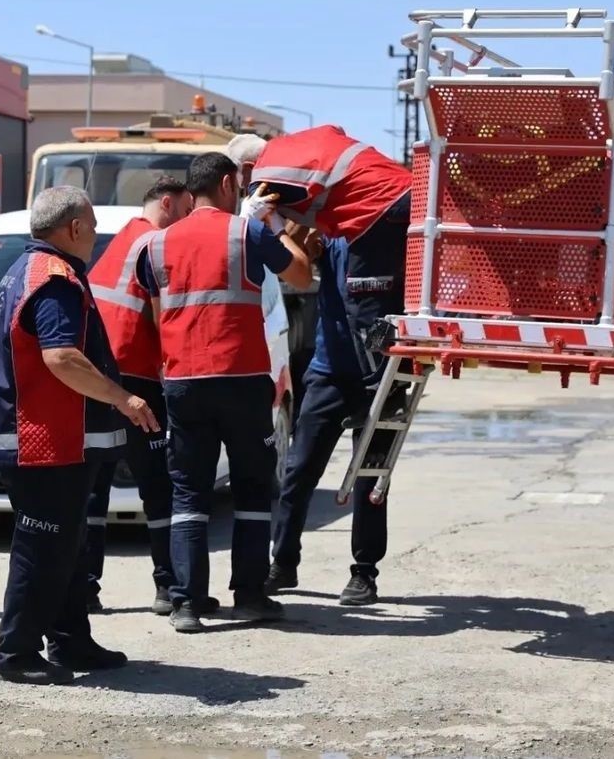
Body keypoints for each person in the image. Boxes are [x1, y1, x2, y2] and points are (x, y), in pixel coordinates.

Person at [0, 186, 159, 685]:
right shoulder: (54, 279)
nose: (95, 237)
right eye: (93, 227)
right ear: (74, 228)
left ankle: (70, 639)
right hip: (42, 441)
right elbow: (60, 357)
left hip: (49, 438)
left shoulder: (27, 269)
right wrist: (123, 398)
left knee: (68, 546)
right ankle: (16, 652)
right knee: (45, 547)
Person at [138, 152, 314, 633]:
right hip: (241, 380)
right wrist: (273, 224)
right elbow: (300, 274)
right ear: (228, 183)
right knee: (253, 491)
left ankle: (186, 604)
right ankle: (250, 596)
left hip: (183, 381)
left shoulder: (154, 244)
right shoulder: (247, 232)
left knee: (188, 494)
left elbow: (158, 312)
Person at [83, 175, 224, 618]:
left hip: (97, 377)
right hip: (139, 379)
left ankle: (85, 588)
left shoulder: (121, 237)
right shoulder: (157, 244)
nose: (186, 222)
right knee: (158, 487)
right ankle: (170, 585)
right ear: (167, 203)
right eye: (184, 212)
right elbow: (168, 316)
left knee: (94, 489)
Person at [227, 126, 412, 395]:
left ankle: (380, 387)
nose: (244, 190)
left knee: (364, 304)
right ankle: (397, 375)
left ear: (247, 167)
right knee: (389, 300)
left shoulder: (262, 178)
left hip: (374, 212)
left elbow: (245, 238)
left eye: (240, 183)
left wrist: (250, 219)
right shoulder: (298, 144)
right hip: (408, 195)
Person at [266, 235, 396, 606]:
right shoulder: (330, 233)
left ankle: (364, 572)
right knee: (299, 467)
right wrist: (290, 235)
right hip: (330, 371)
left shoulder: (395, 236)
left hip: (380, 374)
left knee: (371, 477)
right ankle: (283, 561)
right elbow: (298, 257)